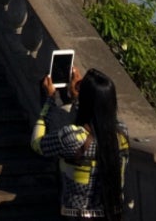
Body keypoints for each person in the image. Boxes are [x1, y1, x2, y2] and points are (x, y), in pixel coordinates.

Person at [31, 65, 128, 220]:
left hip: (76, 216)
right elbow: (98, 117)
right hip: (112, 215)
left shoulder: (74, 138)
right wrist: (79, 97)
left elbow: (37, 143)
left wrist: (49, 102)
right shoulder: (122, 134)